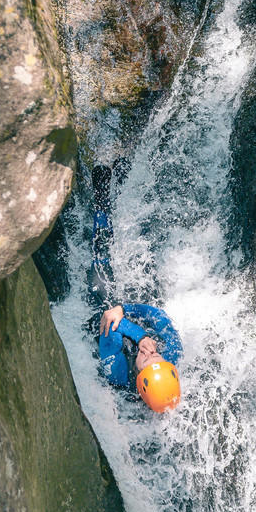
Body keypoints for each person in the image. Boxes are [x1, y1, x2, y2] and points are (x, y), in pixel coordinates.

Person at [89, 164, 182, 413]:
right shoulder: (171, 355)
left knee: (100, 276)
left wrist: (138, 335)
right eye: (157, 358)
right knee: (147, 278)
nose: (151, 354)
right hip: (131, 322)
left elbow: (111, 323)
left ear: (139, 377)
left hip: (107, 330)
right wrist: (132, 314)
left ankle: (101, 201)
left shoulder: (118, 374)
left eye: (145, 360)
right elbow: (160, 318)